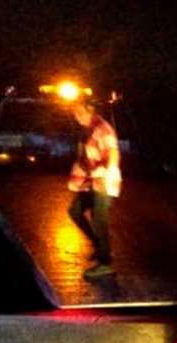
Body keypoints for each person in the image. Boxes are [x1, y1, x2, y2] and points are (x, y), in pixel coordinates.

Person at [67, 100, 121, 279]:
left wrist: (108, 173)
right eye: (75, 114)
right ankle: (99, 247)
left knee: (99, 221)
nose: (77, 117)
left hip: (103, 182)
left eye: (80, 113)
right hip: (91, 182)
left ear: (90, 110)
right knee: (75, 211)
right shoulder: (89, 128)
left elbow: (113, 153)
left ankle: (106, 263)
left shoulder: (102, 129)